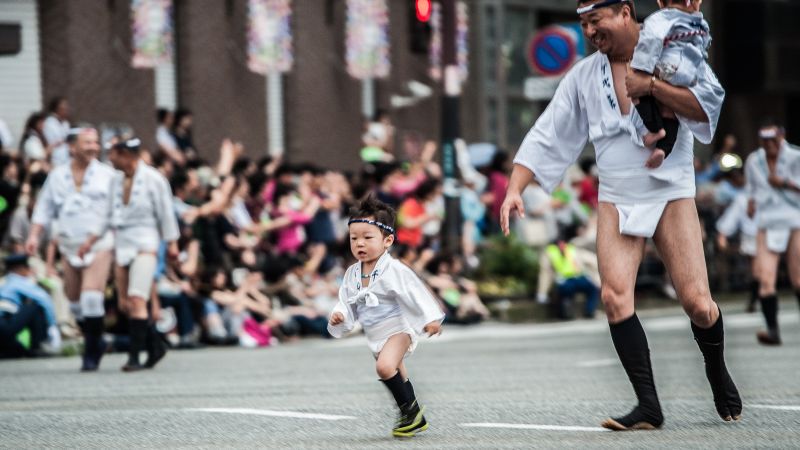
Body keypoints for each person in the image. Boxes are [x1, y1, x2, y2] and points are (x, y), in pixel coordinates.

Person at [500, 0, 740, 430]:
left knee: (699, 305)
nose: (590, 32)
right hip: (616, 195)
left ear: (626, 13)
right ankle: (648, 406)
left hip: (671, 190)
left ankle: (717, 371)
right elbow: (549, 133)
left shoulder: (674, 45)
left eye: (597, 21)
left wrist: (652, 87)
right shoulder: (584, 76)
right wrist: (515, 188)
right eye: (584, 24)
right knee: (614, 297)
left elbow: (707, 107)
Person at [328, 196, 444, 438]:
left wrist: (429, 319)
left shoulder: (395, 270)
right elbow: (345, 300)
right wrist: (339, 314)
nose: (360, 243)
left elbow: (416, 291)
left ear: (387, 240)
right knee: (397, 372)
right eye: (354, 238)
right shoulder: (352, 273)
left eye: (368, 237)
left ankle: (409, 413)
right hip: (375, 332)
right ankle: (414, 416)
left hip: (399, 327)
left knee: (384, 367)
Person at [26, 126, 116, 371]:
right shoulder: (57, 176)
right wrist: (34, 236)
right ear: (72, 146)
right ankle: (96, 339)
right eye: (87, 142)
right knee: (75, 301)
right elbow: (43, 209)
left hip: (99, 243)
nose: (93, 147)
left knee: (91, 297)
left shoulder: (107, 175)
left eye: (95, 142)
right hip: (68, 244)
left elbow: (116, 211)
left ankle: (91, 348)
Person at [107, 137, 180, 371]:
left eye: (114, 154)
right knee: (127, 303)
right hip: (123, 242)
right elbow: (109, 214)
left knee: (138, 298)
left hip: (146, 241)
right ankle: (156, 345)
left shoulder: (153, 179)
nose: (110, 159)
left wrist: (171, 242)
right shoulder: (115, 180)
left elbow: (166, 212)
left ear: (126, 155)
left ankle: (134, 357)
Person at [629, 0, 710, 169]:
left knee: (636, 88)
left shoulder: (659, 19)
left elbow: (650, 42)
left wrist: (640, 67)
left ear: (661, 3)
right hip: (689, 71)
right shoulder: (700, 23)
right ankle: (663, 149)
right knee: (669, 110)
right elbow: (704, 45)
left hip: (667, 65)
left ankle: (656, 129)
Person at [744, 120, 800, 345]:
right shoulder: (753, 161)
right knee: (765, 278)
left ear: (782, 137)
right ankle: (772, 330)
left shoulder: (795, 156)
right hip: (767, 219)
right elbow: (751, 188)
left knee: (798, 278)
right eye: (765, 141)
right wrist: (750, 202)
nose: (770, 145)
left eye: (773, 140)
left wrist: (784, 182)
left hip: (794, 217)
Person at [0, 254, 60, 358]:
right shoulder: (18, 281)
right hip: (3, 323)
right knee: (35, 306)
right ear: (21, 269)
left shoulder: (4, 281)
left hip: (4, 326)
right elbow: (44, 299)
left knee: (19, 351)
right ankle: (37, 347)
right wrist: (52, 325)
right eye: (28, 268)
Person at [537, 240, 600, 319]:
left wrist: (597, 279)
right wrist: (542, 293)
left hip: (578, 278)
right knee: (565, 293)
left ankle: (589, 311)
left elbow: (593, 261)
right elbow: (545, 274)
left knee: (593, 289)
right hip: (564, 281)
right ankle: (566, 313)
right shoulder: (550, 253)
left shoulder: (572, 249)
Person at [42, 97, 71, 167]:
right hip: (55, 159)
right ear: (56, 109)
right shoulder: (49, 123)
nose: (65, 111)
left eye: (66, 108)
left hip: (67, 158)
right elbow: (51, 143)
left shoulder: (66, 123)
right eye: (62, 109)